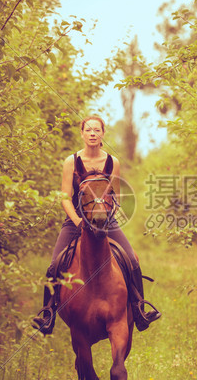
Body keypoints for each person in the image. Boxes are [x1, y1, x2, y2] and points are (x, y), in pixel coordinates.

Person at [32, 115, 161, 335]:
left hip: (105, 221)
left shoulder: (113, 162)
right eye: (88, 130)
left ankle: (139, 309)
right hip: (76, 220)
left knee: (131, 259)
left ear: (103, 134)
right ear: (82, 134)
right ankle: (48, 313)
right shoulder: (70, 162)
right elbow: (65, 197)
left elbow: (115, 196)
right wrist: (78, 220)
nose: (92, 133)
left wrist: (105, 218)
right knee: (54, 265)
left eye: (97, 130)